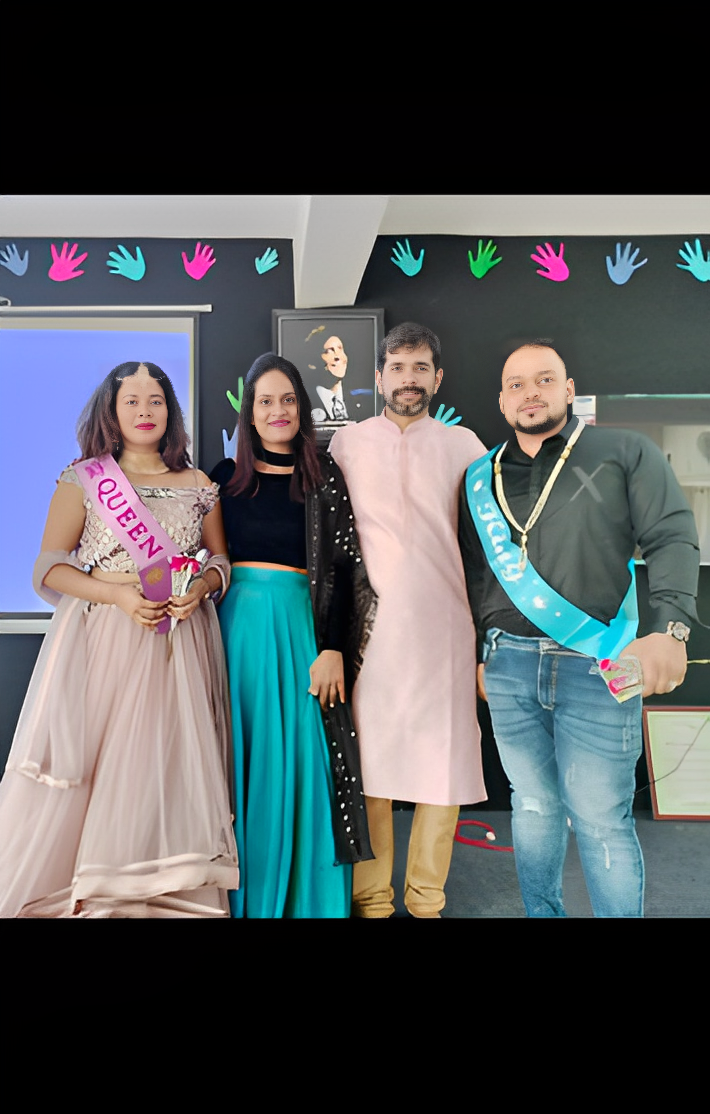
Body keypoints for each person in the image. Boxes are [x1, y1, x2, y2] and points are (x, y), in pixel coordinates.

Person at [459, 339, 700, 918]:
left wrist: (671, 627)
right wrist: (477, 655)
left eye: (544, 380)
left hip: (599, 664)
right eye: (516, 384)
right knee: (532, 807)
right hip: (508, 665)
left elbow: (672, 535)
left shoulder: (624, 451)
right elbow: (473, 573)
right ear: (502, 400)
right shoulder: (479, 477)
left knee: (599, 818)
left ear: (569, 390)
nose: (530, 392)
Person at [0, 361, 239, 918]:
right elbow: (49, 568)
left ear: (170, 411)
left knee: (169, 766)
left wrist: (202, 587)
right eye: (131, 400)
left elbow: (220, 561)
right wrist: (118, 596)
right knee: (103, 764)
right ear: (111, 410)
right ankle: (93, 885)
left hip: (180, 645)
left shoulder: (199, 485)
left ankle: (159, 887)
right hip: (109, 640)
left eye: (155, 400)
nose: (144, 411)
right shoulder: (83, 479)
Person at [329, 322, 488, 918]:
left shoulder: (465, 447)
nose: (409, 379)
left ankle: (426, 901)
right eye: (397, 368)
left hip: (446, 631)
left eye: (420, 368)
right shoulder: (346, 444)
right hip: (371, 636)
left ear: (437, 377)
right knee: (371, 769)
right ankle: (372, 901)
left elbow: (488, 545)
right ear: (379, 377)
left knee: (441, 772)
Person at [210, 352, 376, 918]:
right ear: (249, 412)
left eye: (287, 399)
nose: (276, 410)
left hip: (304, 637)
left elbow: (345, 570)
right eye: (265, 401)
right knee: (239, 765)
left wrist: (333, 649)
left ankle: (304, 902)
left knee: (305, 765)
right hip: (235, 640)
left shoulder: (324, 477)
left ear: (301, 408)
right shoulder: (222, 478)